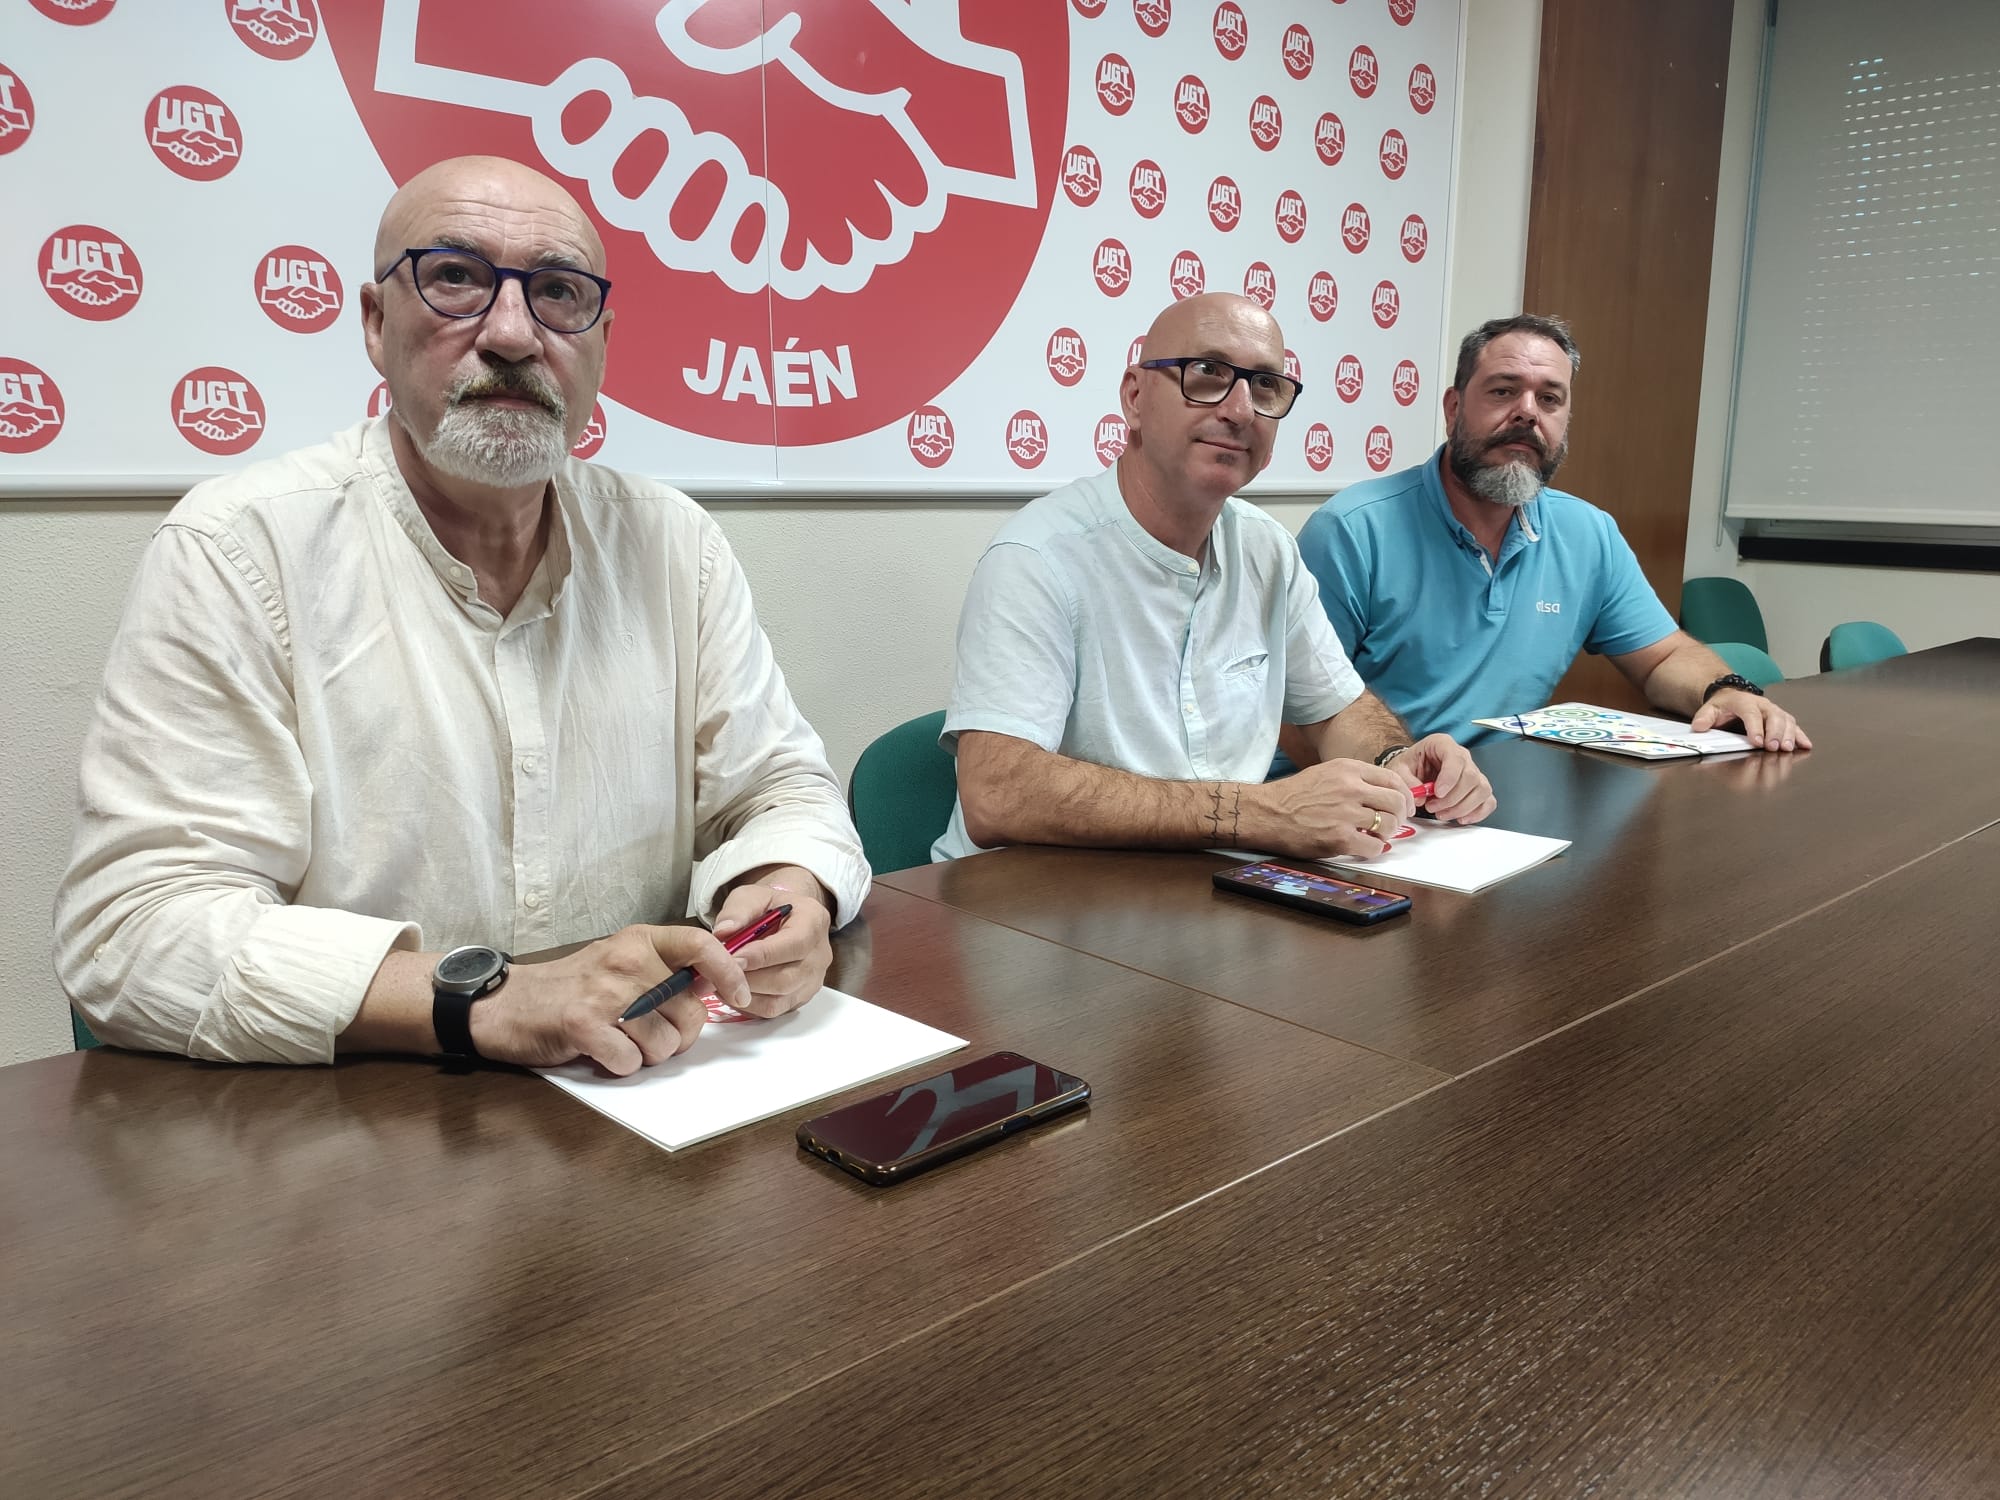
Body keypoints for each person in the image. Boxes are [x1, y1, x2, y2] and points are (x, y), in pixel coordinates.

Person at [53, 156, 870, 1070]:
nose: (514, 334)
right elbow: (131, 930)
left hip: (649, 1093)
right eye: (456, 279)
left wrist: (788, 885)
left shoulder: (674, 544)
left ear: (600, 337)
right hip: (358, 1136)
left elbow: (783, 789)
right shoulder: (240, 550)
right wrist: (493, 996)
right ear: (375, 322)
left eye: (558, 292)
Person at [933, 292, 1495, 865]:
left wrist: (1392, 763)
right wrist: (1260, 814)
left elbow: (1334, 712)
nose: (1241, 410)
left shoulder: (1267, 549)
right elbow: (997, 793)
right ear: (1134, 398)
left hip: (1201, 896)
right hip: (1024, 907)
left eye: (1266, 386)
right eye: (1207, 373)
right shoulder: (1038, 556)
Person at [1296, 314, 1810, 750]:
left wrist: (1724, 688)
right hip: (1372, 797)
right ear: (1454, 408)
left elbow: (1664, 657)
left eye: (1549, 399)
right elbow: (1295, 710)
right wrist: (1402, 773)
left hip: (1500, 797)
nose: (1527, 412)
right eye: (1503, 391)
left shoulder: (1587, 532)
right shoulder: (1352, 531)